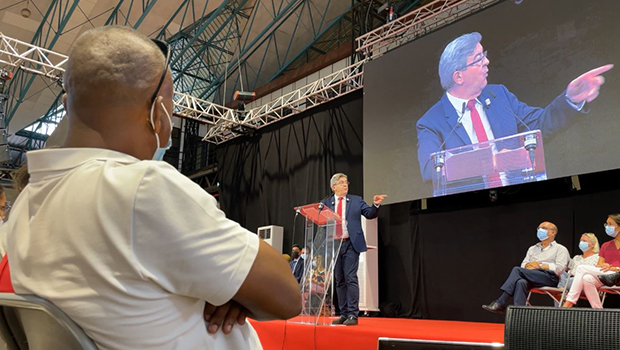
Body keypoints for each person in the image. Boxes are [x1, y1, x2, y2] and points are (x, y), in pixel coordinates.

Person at [2, 26, 301, 349]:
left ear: (66, 104)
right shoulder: (140, 187)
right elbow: (286, 296)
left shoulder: (24, 207)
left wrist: (236, 288)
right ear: (157, 113)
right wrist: (235, 291)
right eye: (170, 109)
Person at [416, 32, 613, 182]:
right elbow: (430, 168)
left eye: (483, 54)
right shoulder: (430, 122)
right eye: (478, 59)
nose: (487, 61)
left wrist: (571, 99)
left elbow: (539, 125)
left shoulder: (499, 95)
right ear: (458, 76)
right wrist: (491, 161)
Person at [322, 173, 386, 325]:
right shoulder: (326, 203)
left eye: (346, 182)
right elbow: (321, 222)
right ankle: (343, 314)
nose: (345, 185)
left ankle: (353, 315)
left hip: (351, 243)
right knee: (339, 280)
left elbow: (370, 214)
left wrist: (375, 205)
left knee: (350, 277)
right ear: (333, 187)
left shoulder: (356, 200)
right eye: (341, 182)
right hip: (334, 245)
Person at [482, 221, 569, 313]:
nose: (540, 230)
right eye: (538, 228)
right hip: (531, 276)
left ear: (553, 232)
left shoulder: (560, 249)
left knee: (517, 270)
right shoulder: (532, 248)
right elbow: (523, 265)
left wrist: (540, 266)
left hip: (550, 278)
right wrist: (530, 266)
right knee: (520, 282)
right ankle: (519, 316)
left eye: (543, 228)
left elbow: (560, 269)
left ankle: (500, 301)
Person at [563, 215, 620, 308]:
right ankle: (598, 311)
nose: (607, 227)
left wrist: (615, 268)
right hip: (608, 275)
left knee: (581, 268)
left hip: (618, 275)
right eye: (606, 224)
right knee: (587, 278)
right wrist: (604, 265)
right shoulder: (606, 245)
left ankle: (569, 302)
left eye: (610, 224)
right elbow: (599, 265)